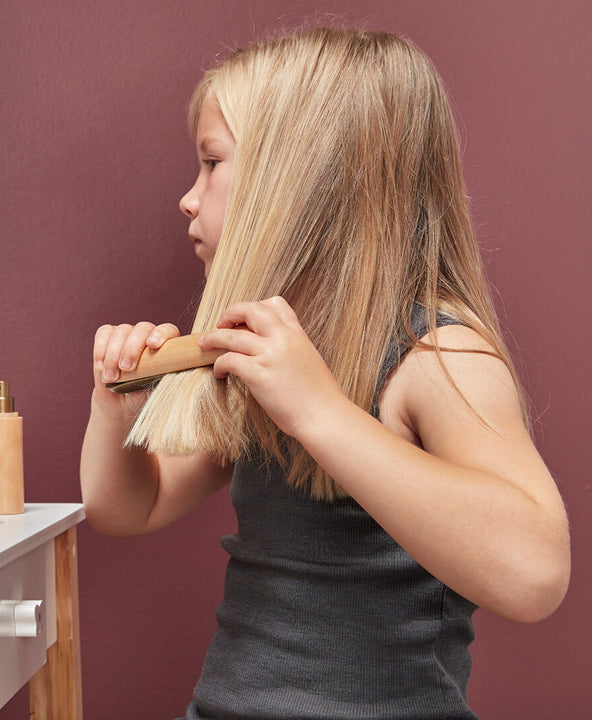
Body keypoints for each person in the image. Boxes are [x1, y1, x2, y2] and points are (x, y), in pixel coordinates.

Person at [80, 27, 570, 719]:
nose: (189, 198)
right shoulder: (264, 354)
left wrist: (319, 412)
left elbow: (533, 576)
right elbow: (130, 508)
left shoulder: (434, 356)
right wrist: (117, 415)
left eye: (212, 163)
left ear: (300, 180)